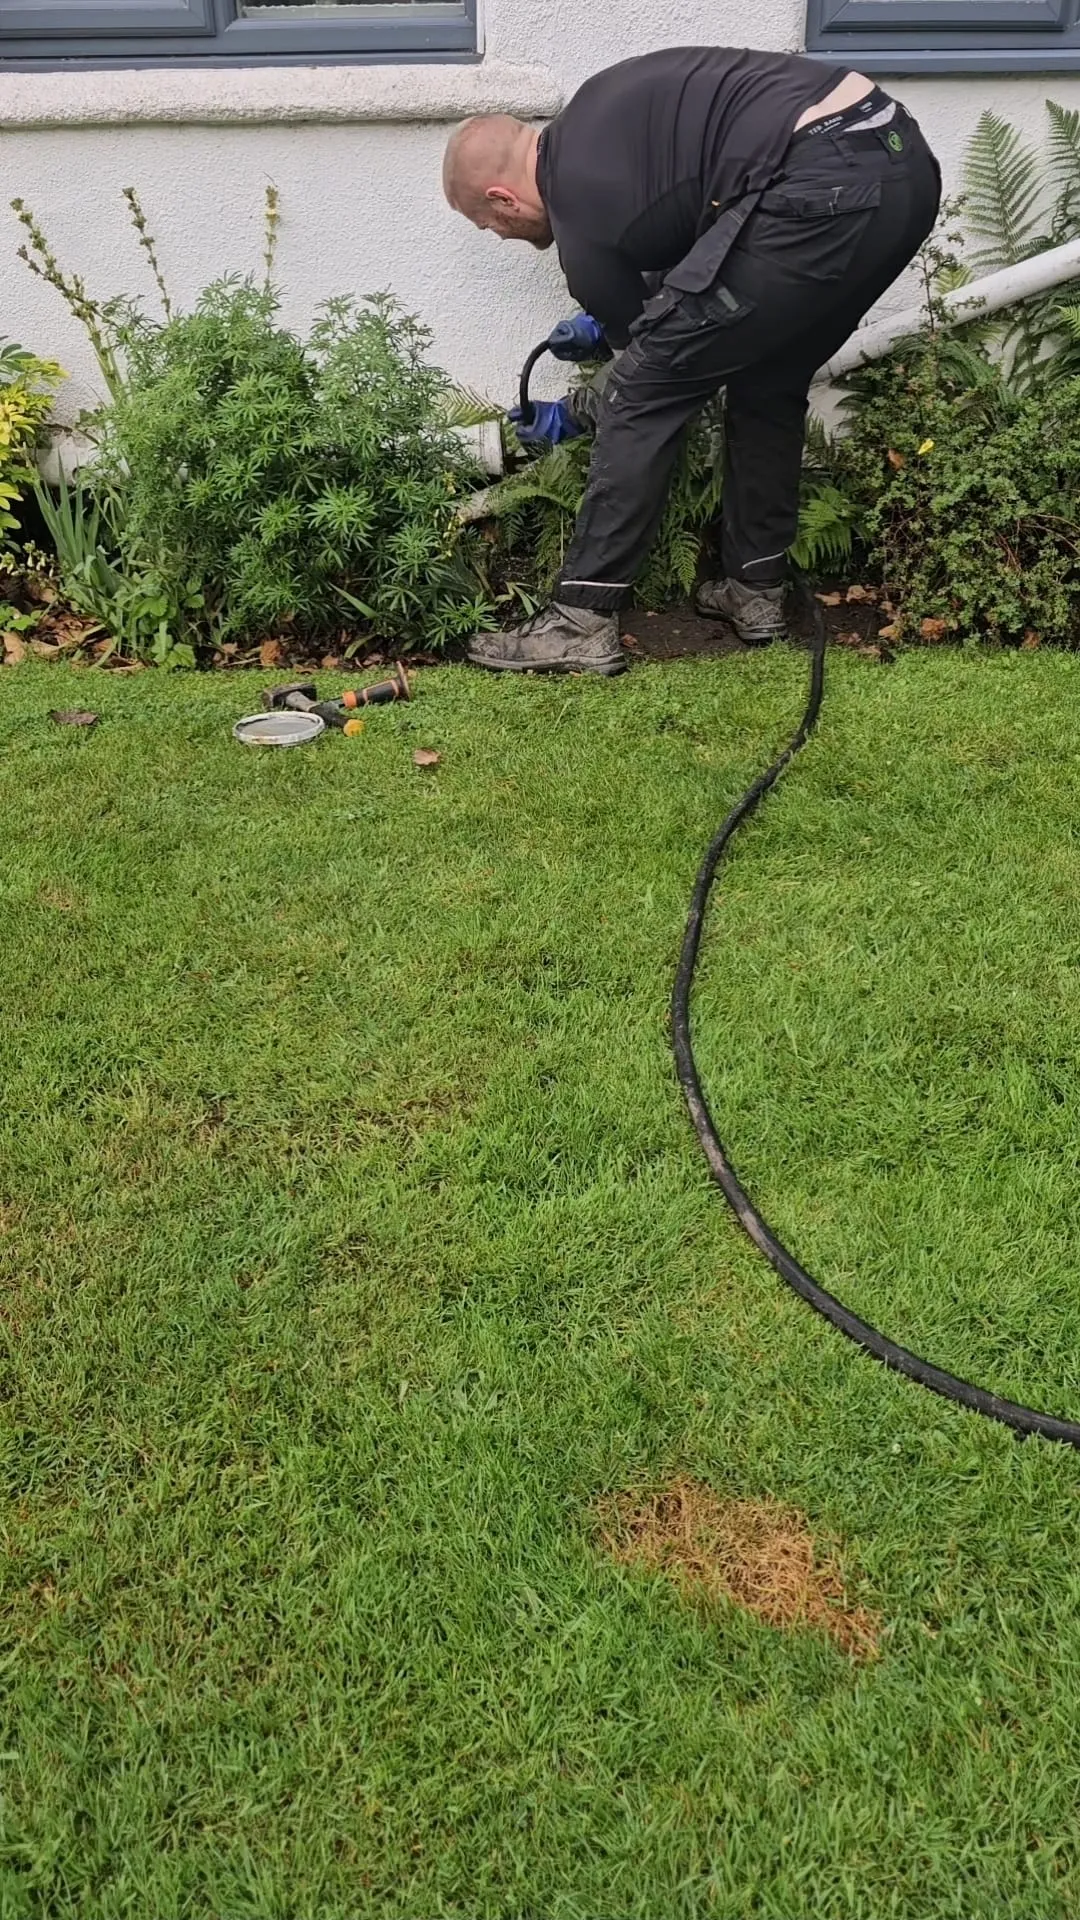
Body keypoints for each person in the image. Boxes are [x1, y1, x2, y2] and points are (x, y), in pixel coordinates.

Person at [442, 47, 941, 676]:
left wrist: (576, 410)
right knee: (770, 375)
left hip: (821, 181)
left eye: (490, 225)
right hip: (902, 168)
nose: (503, 237)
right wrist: (605, 326)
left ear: (503, 198)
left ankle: (580, 621)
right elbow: (700, 272)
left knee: (638, 397)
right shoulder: (602, 118)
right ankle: (755, 594)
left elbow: (649, 368)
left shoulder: (579, 214)